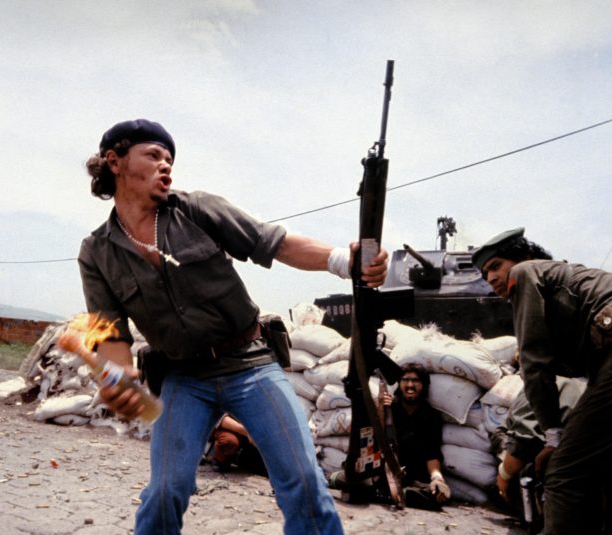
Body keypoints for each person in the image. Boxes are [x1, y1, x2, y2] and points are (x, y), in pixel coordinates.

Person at [78, 118, 388, 535]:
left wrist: (343, 261)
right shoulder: (96, 252)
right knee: (166, 491)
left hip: (250, 365)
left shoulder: (197, 208)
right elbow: (108, 333)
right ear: (114, 162)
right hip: (185, 378)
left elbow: (273, 242)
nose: (166, 165)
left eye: (170, 159)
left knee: (302, 482)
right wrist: (116, 375)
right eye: (153, 155)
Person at [472, 227, 612, 535]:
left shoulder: (527, 273)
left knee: (562, 473)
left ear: (523, 258)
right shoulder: (563, 281)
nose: (490, 278)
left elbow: (534, 362)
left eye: (496, 266)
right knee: (604, 467)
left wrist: (553, 439)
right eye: (485, 273)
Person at [493, 376, 587, 528]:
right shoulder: (597, 386)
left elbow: (522, 444)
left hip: (566, 486)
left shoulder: (544, 382)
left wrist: (504, 475)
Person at [380, 362, 450, 509]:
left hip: (414, 478)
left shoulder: (432, 416)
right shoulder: (389, 409)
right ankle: (391, 493)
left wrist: (437, 477)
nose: (410, 385)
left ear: (424, 385)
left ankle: (391, 494)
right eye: (405, 380)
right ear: (399, 384)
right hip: (385, 474)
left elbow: (432, 453)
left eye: (415, 381)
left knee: (437, 495)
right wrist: (379, 409)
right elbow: (374, 439)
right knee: (353, 478)